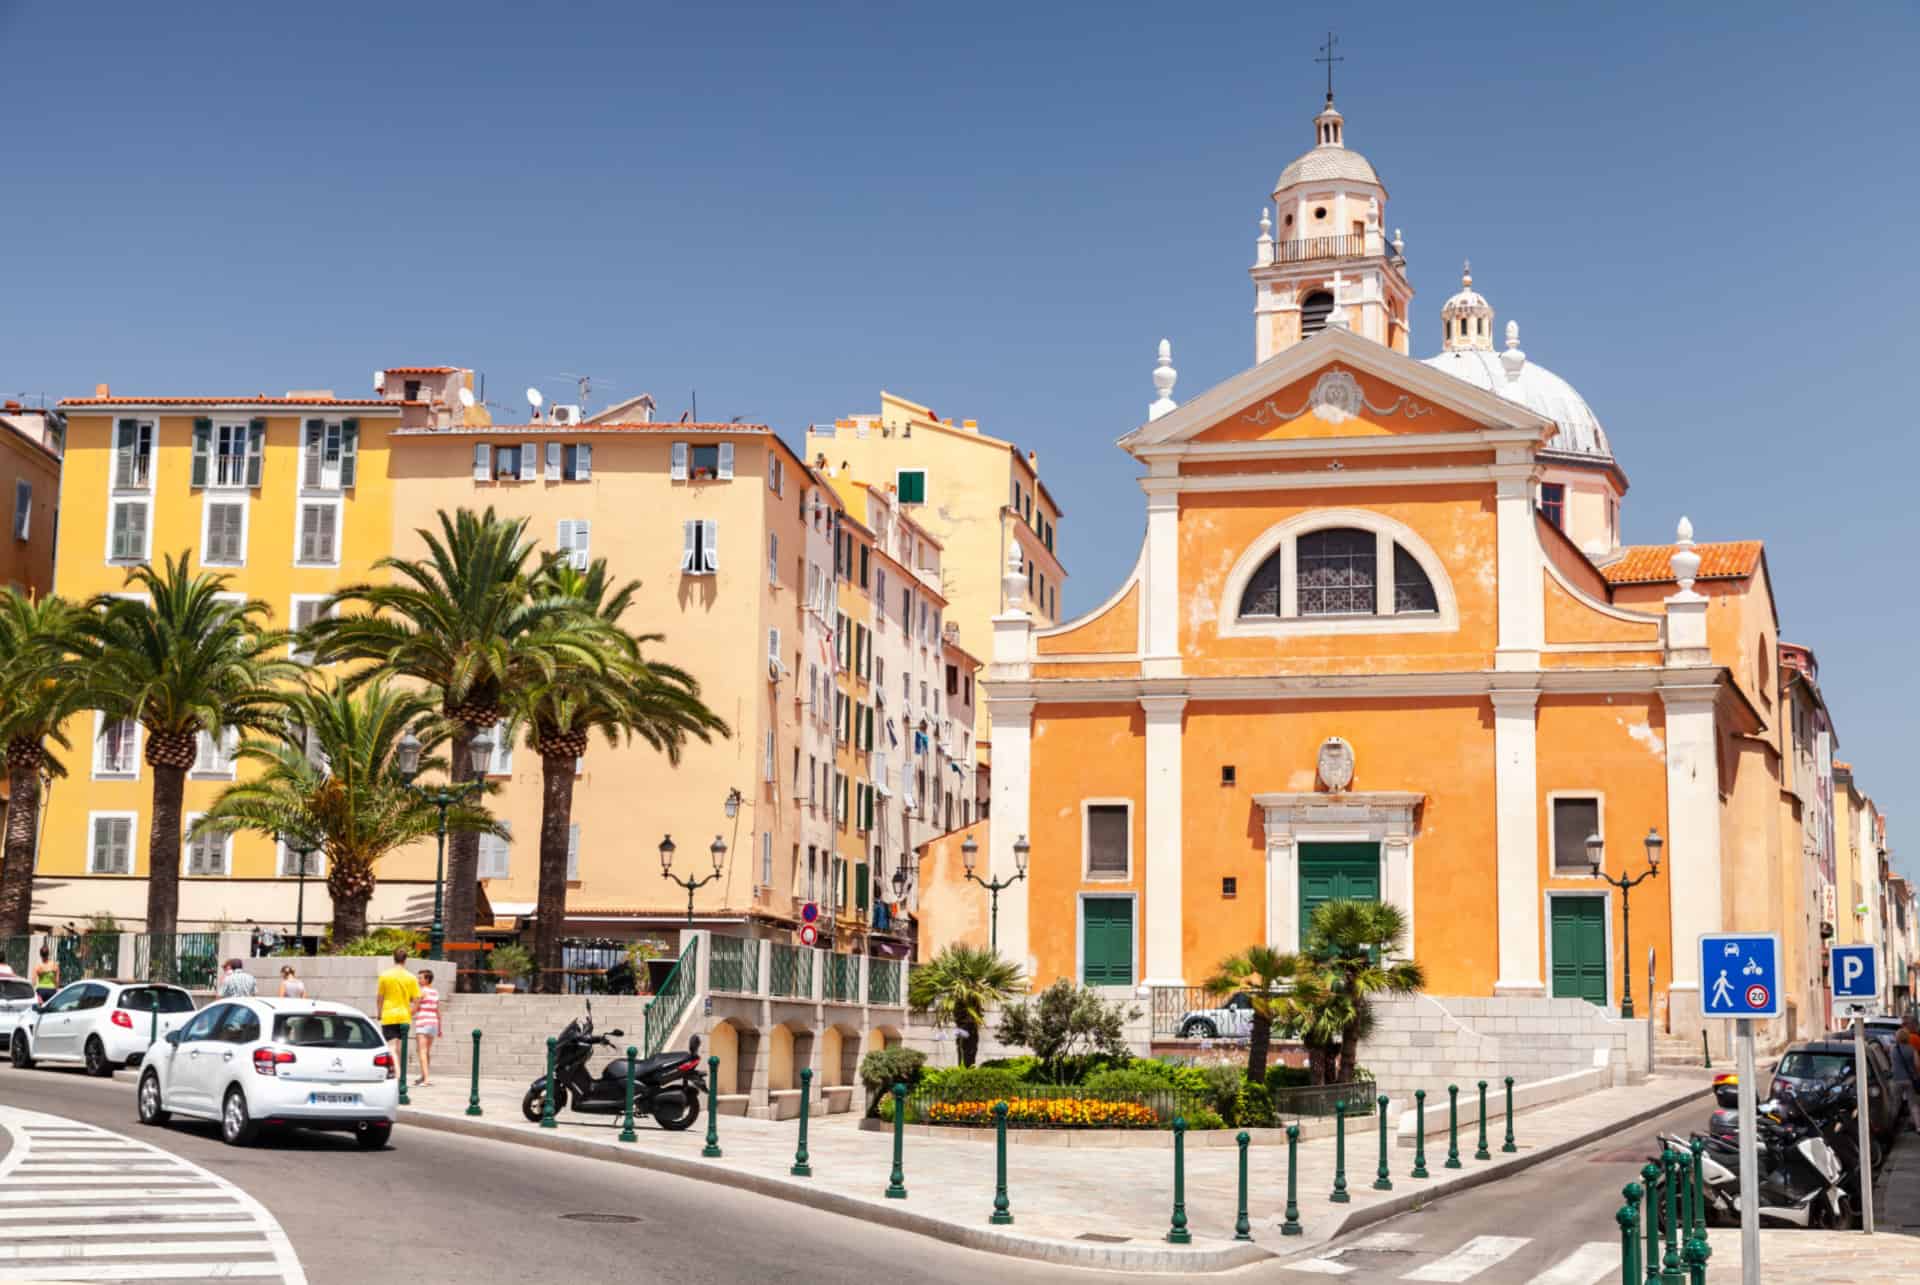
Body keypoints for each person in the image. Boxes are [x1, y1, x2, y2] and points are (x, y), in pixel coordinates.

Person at [376, 947, 421, 1068]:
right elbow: (417, 1000)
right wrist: (411, 1012)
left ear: (393, 958)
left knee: (391, 1047)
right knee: (400, 1047)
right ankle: (400, 1073)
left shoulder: (385, 975)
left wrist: (379, 1013)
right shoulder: (411, 977)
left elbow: (380, 997)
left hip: (389, 1015)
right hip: (404, 1016)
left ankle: (397, 1073)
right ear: (405, 959)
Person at [411, 969, 441, 1086]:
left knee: (421, 1051)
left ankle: (426, 1079)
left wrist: (406, 1014)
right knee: (426, 1051)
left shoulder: (421, 992)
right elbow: (437, 1011)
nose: (418, 980)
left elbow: (415, 1008)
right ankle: (424, 1076)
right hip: (433, 1023)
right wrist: (440, 1028)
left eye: (420, 978)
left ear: (427, 979)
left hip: (423, 1022)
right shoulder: (435, 992)